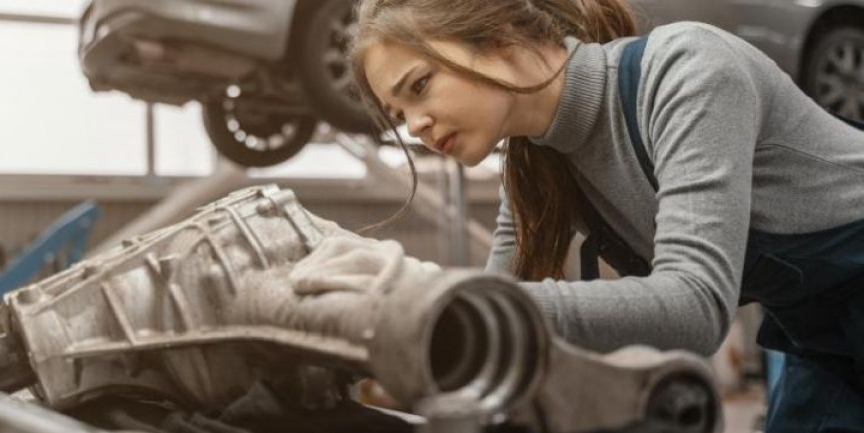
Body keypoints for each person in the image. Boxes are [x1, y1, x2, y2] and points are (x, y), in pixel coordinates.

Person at [347, 0, 864, 431]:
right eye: (398, 115)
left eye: (418, 86)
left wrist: (443, 298)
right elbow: (494, 318)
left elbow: (694, 306)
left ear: (500, 36)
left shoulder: (688, 70)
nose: (415, 125)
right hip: (825, 340)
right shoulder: (536, 168)